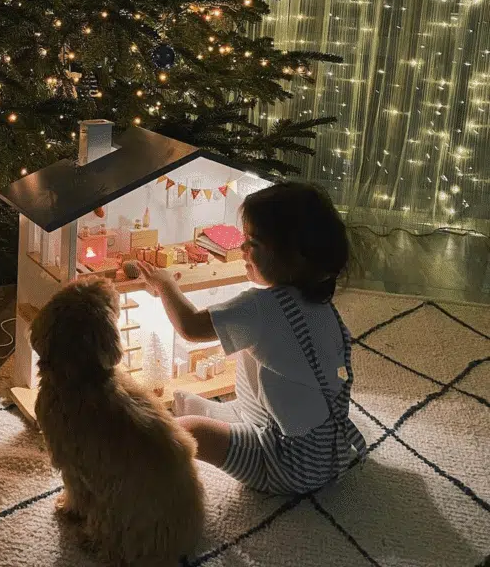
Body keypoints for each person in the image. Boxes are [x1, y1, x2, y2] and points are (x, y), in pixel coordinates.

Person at [138, 181, 366, 495]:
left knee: (190, 432)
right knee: (199, 403)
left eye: (253, 243)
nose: (243, 250)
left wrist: (165, 285)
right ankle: (222, 417)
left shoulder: (260, 307)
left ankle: (133, 475)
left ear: (294, 257)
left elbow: (190, 326)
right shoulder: (319, 302)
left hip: (287, 462)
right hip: (329, 447)